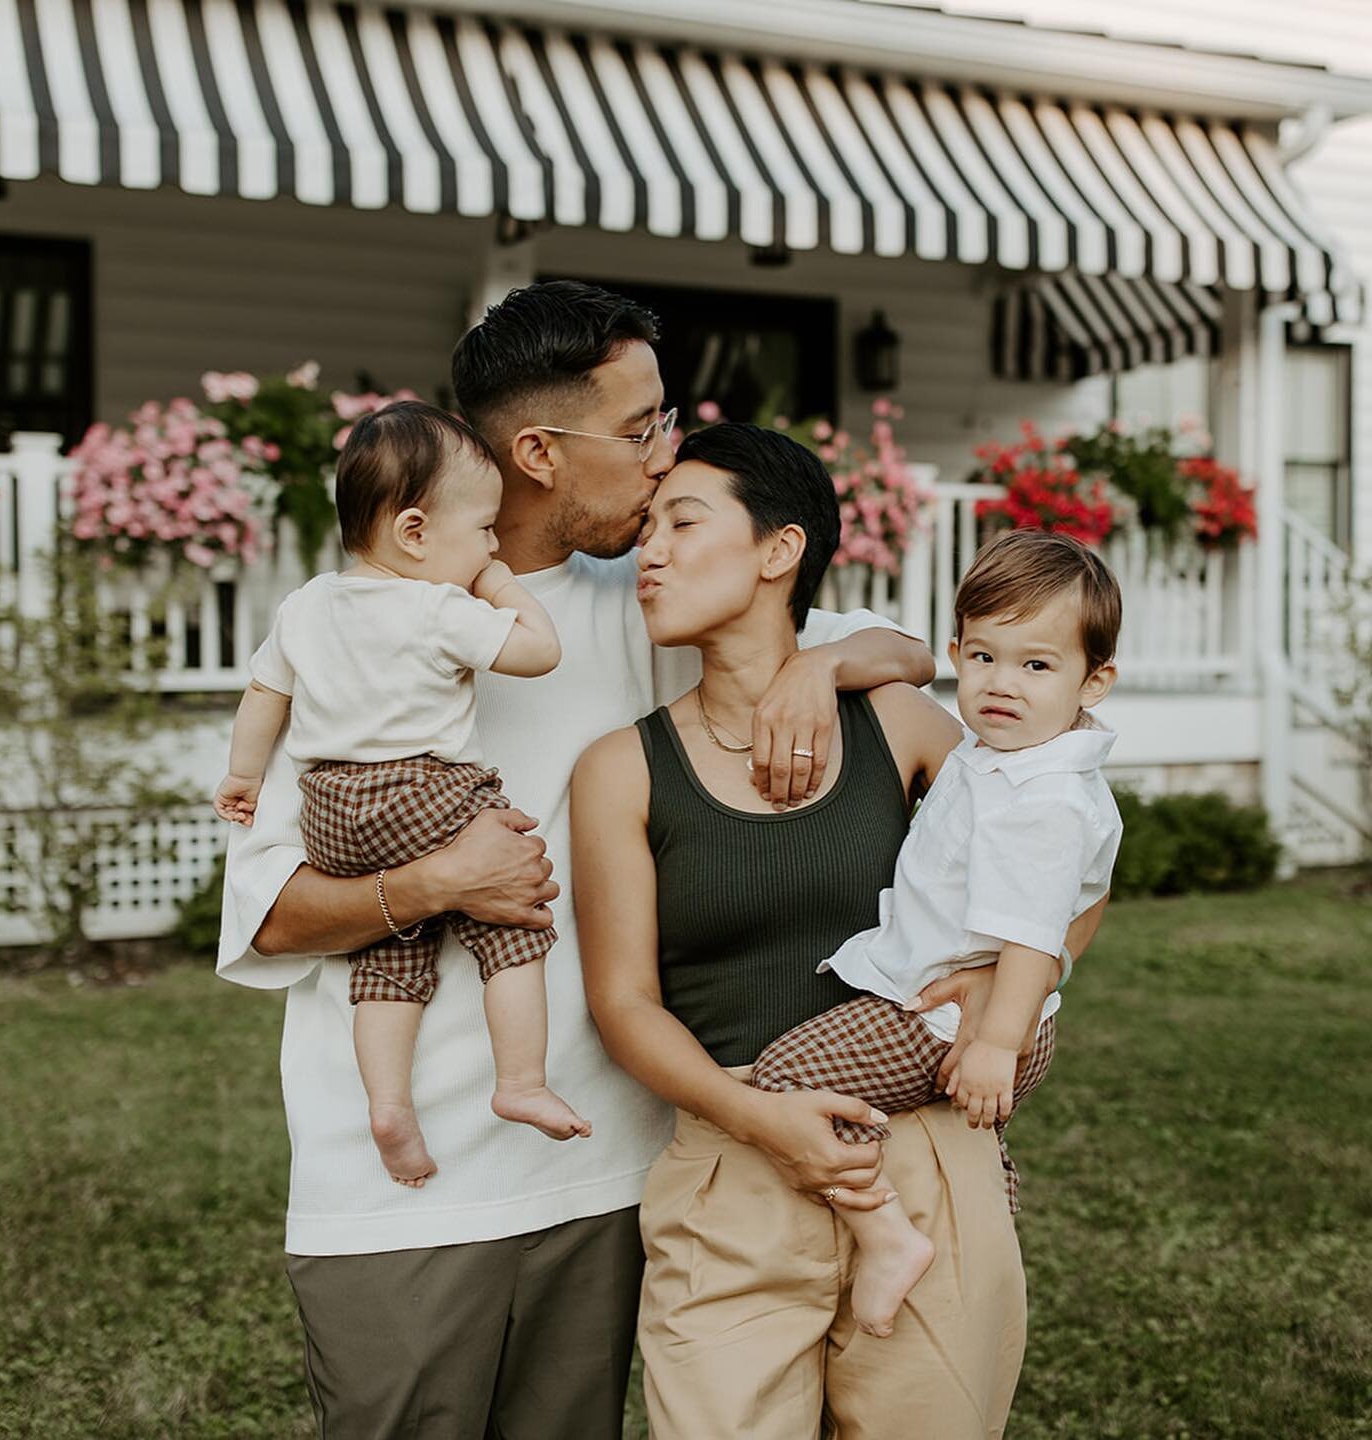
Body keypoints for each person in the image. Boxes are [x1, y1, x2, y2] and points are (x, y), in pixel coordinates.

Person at [216, 281, 934, 1439]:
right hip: (402, 1189)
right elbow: (268, 916)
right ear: (541, 452)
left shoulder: (643, 604)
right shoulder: (346, 622)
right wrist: (441, 887)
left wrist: (830, 667)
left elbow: (892, 651)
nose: (667, 460)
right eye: (645, 428)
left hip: (607, 1177)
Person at [572, 424, 1106, 1440]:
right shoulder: (623, 770)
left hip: (926, 1157)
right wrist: (755, 1116)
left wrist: (1005, 997)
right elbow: (624, 1003)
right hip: (735, 1171)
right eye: (647, 528)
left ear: (779, 552)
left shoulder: (899, 722)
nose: (650, 551)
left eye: (683, 521)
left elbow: (1066, 869)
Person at [751, 527, 1124, 1338]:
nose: (1001, 684)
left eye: (1037, 665)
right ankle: (983, 1203)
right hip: (978, 1013)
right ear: (956, 648)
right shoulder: (1009, 754)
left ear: (1094, 682)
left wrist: (995, 1043)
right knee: (955, 1152)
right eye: (983, 657)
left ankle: (885, 1233)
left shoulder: (1044, 798)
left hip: (956, 1020)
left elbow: (1030, 934)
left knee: (784, 1081)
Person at [213, 402, 589, 1191]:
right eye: (484, 529)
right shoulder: (434, 605)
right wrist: (503, 587)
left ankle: (389, 1108)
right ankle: (519, 1081)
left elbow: (263, 697)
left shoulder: (306, 604)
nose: (493, 542)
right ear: (415, 534)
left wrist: (243, 778)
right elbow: (539, 653)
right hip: (421, 787)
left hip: (332, 811)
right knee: (511, 920)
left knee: (389, 951)